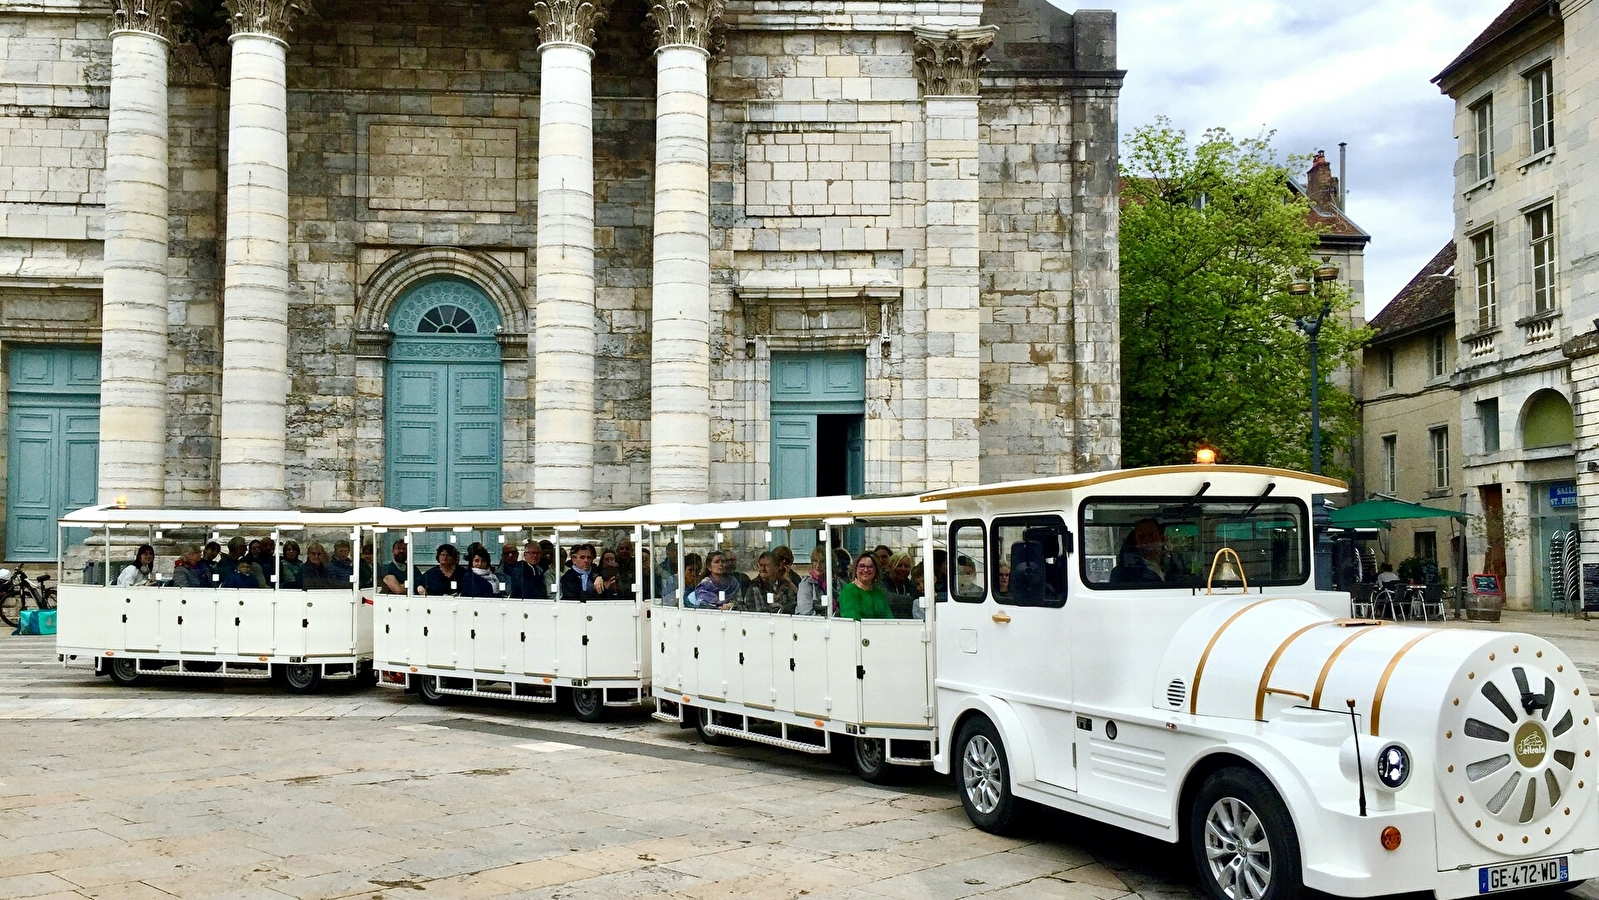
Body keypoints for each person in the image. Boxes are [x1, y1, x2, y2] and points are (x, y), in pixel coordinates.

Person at [1109, 518, 1181, 585]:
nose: (1147, 541)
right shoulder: (1122, 573)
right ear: (1136, 543)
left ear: (1162, 538)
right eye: (1141, 537)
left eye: (1152, 535)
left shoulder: (1177, 562)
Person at [419, 544, 494, 597]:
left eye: (448, 555)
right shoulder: (432, 572)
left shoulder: (462, 573)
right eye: (442, 555)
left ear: (454, 557)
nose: (445, 558)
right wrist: (419, 586)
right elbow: (418, 582)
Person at [838, 552, 893, 620]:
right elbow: (852, 619)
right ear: (855, 569)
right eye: (862, 566)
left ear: (876, 570)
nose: (866, 570)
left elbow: (889, 619)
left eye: (870, 567)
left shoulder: (879, 592)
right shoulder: (849, 590)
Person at [795, 547, 828, 616]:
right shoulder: (806, 584)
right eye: (815, 561)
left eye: (822, 562)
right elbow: (806, 613)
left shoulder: (833, 583)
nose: (818, 565)